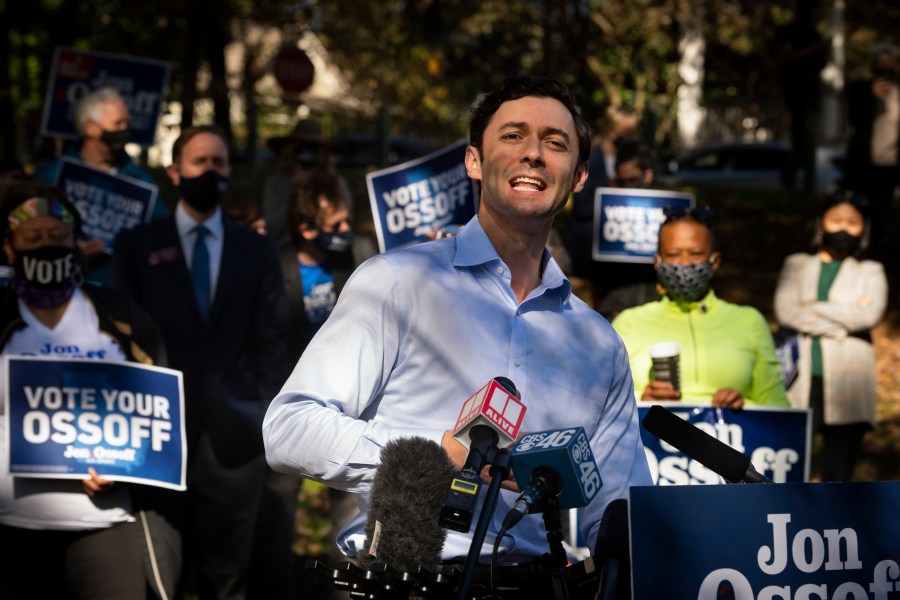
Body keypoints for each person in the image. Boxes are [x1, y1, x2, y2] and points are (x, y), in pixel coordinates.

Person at [263, 75, 652, 586]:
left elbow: (621, 511)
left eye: (555, 143)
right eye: (512, 136)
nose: (533, 154)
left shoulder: (599, 342)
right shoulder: (397, 282)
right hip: (405, 581)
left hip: (541, 584)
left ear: (579, 176)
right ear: (474, 161)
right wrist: (434, 456)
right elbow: (288, 429)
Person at [111, 126, 287, 600]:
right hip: (158, 438)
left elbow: (270, 342)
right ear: (174, 172)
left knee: (227, 578)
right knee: (160, 575)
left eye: (220, 163)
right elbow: (122, 343)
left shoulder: (257, 250)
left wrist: (267, 419)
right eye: (199, 162)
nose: (211, 172)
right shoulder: (136, 246)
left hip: (236, 443)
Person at [0, 181, 179, 599]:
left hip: (106, 526)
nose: (47, 245)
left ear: (75, 242)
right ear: (9, 249)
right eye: (33, 238)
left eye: (58, 236)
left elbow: (159, 413)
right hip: (11, 529)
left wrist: (124, 466)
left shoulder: (120, 316)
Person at [612, 206, 790, 409]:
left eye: (696, 254)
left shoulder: (749, 322)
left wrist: (745, 406)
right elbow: (603, 401)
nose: (685, 263)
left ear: (715, 261)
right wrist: (640, 402)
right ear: (657, 262)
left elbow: (778, 408)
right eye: (673, 254)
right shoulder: (628, 324)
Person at [773, 192, 887, 481]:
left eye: (852, 222)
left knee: (839, 472)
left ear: (864, 229)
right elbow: (785, 312)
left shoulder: (871, 270)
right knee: (793, 466)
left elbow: (870, 315)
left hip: (850, 381)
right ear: (821, 223)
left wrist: (812, 307)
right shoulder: (796, 264)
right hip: (800, 379)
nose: (843, 228)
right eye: (836, 220)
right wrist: (842, 323)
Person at [33, 87, 169, 284]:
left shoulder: (140, 181)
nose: (125, 130)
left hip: (122, 293)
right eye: (118, 123)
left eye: (127, 124)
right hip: (59, 285)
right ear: (90, 127)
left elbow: (162, 234)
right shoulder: (52, 175)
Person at [845, 43, 899, 260]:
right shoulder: (861, 89)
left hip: (892, 164)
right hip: (865, 163)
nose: (885, 66)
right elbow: (853, 120)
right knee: (860, 210)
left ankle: (880, 254)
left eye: (890, 61)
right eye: (880, 61)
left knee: (883, 213)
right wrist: (871, 97)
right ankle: (858, 251)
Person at [774, 0, 831, 194]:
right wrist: (813, 49)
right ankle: (794, 177)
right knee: (801, 136)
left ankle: (803, 181)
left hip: (813, 92)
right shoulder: (788, 32)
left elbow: (821, 64)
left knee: (808, 139)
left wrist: (823, 52)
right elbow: (785, 57)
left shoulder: (815, 34)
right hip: (796, 92)